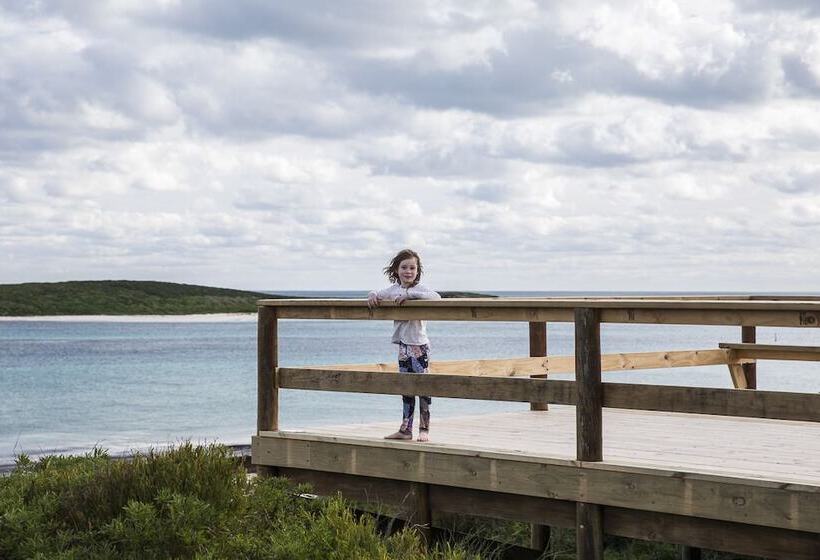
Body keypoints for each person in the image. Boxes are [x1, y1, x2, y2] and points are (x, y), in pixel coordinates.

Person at [367, 249, 441, 442]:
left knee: (423, 387)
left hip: (420, 346)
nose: (408, 271)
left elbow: (436, 297)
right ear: (396, 269)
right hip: (403, 346)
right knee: (406, 387)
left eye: (412, 268)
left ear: (418, 271)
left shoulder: (420, 289)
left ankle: (424, 429)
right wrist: (373, 295)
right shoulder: (394, 289)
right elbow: (378, 292)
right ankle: (405, 429)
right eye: (404, 267)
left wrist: (411, 297)